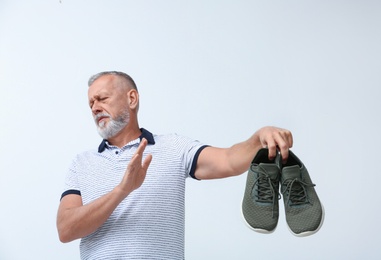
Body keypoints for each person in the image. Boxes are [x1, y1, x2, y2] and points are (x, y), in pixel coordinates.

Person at [56, 71, 293, 259]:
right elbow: (66, 230)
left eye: (102, 98)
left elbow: (229, 161)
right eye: (91, 104)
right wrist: (122, 190)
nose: (95, 107)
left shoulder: (173, 148)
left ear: (131, 98)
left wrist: (258, 138)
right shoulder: (81, 163)